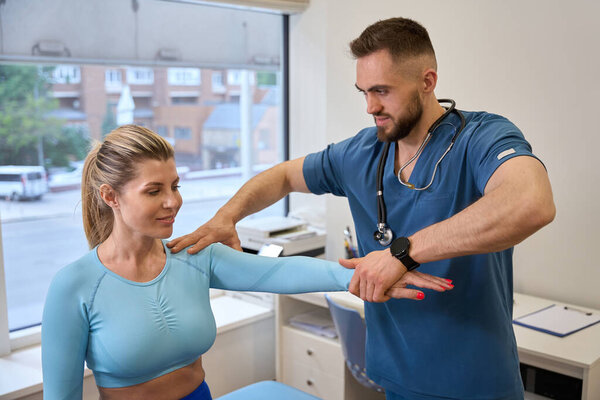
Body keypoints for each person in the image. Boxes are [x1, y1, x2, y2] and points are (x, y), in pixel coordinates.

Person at [167, 17, 556, 400]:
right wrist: (227, 217)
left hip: (474, 383)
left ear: (427, 81)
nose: (371, 106)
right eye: (363, 91)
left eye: (382, 91)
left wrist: (401, 254)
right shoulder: (363, 152)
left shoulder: (480, 137)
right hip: (397, 378)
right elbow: (284, 176)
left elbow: (530, 203)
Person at [41, 125, 453, 400]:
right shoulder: (75, 286)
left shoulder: (192, 255)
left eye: (175, 186)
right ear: (110, 196)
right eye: (154, 191)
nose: (173, 202)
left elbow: (276, 272)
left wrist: (363, 273)